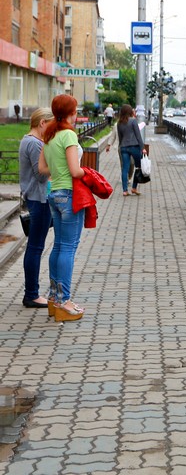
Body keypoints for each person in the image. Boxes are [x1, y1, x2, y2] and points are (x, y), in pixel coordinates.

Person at [38, 95, 87, 322]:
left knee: (58, 246)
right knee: (68, 247)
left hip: (53, 194)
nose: (76, 114)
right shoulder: (68, 134)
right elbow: (75, 170)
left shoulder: (49, 135)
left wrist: (58, 172)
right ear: (70, 112)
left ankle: (53, 298)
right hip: (69, 195)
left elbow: (42, 168)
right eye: (75, 110)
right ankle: (64, 301)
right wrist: (90, 174)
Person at [18, 107, 53, 309]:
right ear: (42, 123)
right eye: (50, 125)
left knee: (35, 246)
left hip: (35, 198)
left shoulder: (28, 140)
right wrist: (58, 164)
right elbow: (41, 175)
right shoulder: (34, 144)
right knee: (35, 247)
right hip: (38, 199)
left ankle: (31, 292)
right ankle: (31, 294)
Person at [105, 104, 147, 196]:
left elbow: (120, 136)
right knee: (138, 167)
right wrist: (143, 148)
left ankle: (125, 190)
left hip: (123, 147)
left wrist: (121, 146)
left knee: (125, 168)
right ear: (130, 112)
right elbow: (138, 136)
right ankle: (134, 188)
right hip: (134, 147)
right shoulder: (133, 121)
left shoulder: (119, 123)